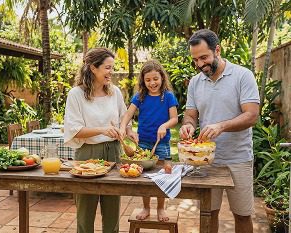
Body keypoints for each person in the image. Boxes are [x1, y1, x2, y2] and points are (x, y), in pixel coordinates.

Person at [179, 29, 260, 233]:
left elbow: (251, 115)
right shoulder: (195, 83)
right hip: (205, 161)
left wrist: (221, 125)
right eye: (195, 59)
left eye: (204, 57)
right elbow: (190, 115)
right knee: (208, 212)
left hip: (238, 158)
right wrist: (188, 125)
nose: (199, 64)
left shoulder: (243, 76)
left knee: (242, 214)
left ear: (217, 50)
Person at [64, 47, 134, 233]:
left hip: (113, 152)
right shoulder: (76, 94)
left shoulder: (115, 92)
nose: (111, 72)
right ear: (93, 68)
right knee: (85, 211)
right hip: (87, 155)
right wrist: (103, 130)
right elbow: (74, 130)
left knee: (112, 210)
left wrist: (127, 129)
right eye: (108, 68)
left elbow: (124, 118)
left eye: (112, 67)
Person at [120, 60, 179, 222]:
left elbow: (174, 119)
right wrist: (124, 127)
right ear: (143, 81)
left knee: (163, 176)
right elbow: (127, 114)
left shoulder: (168, 96)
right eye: (148, 80)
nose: (152, 83)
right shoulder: (140, 96)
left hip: (162, 143)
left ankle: (161, 208)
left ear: (162, 78)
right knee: (144, 177)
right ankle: (146, 207)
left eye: (155, 79)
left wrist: (164, 126)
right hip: (144, 143)